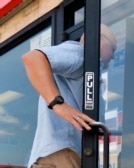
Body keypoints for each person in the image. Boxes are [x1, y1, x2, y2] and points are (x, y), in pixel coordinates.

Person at [22, 24, 117, 168]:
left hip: (65, 153)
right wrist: (58, 105)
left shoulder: (88, 68)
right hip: (65, 153)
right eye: (113, 48)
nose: (113, 56)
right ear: (100, 40)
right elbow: (33, 58)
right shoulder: (82, 53)